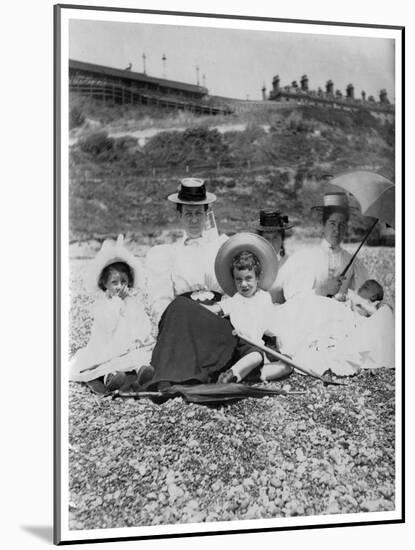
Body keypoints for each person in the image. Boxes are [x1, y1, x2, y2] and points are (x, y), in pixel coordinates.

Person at [69, 235, 155, 394]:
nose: (119, 286)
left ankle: (142, 372)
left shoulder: (133, 303)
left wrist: (139, 337)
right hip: (108, 344)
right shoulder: (103, 305)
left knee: (140, 356)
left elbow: (142, 323)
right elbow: (107, 325)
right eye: (114, 283)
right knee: (106, 361)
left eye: (123, 282)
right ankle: (110, 378)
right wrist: (117, 304)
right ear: (105, 285)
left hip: (130, 344)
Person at [202, 247, 281, 383]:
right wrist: (195, 306)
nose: (243, 284)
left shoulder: (264, 297)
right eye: (239, 279)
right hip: (241, 346)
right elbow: (215, 309)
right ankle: (231, 374)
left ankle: (254, 375)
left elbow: (270, 326)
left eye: (248, 278)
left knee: (287, 364)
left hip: (261, 345)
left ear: (258, 278)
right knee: (255, 357)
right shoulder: (234, 300)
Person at [279, 192, 369, 301]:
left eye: (342, 225)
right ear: (323, 225)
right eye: (332, 223)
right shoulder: (305, 258)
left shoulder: (353, 262)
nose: (337, 230)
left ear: (346, 228)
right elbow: (292, 297)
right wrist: (321, 291)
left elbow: (363, 298)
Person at [252, 209, 296, 304]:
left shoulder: (290, 265)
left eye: (275, 238)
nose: (271, 243)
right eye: (267, 238)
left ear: (282, 239)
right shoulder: (252, 262)